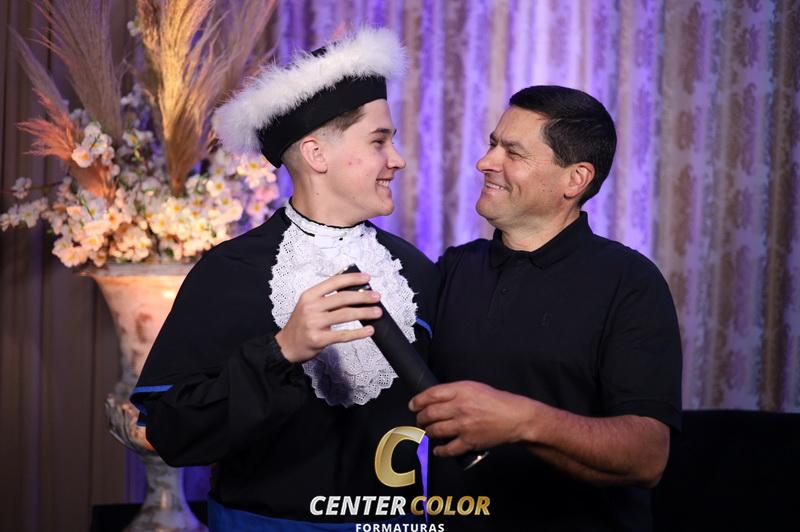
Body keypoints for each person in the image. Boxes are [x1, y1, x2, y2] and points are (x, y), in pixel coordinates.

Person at [132, 28, 438, 530]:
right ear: (317, 155)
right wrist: (281, 351)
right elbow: (173, 431)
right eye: (379, 141)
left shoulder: (416, 271)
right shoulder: (229, 272)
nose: (397, 159)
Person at [410, 85, 682, 531]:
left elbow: (648, 456)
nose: (485, 162)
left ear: (575, 180)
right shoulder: (454, 267)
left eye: (513, 153)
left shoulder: (631, 282)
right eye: (492, 144)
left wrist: (524, 421)